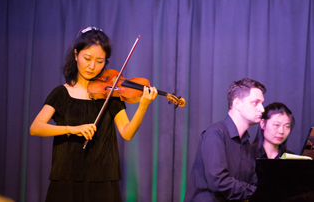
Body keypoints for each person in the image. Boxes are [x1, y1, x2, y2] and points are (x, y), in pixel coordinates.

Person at [30, 26, 158, 202]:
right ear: (76, 55)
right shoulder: (61, 93)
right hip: (67, 176)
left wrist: (143, 106)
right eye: (87, 58)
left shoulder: (110, 94)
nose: (92, 66)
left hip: (104, 177)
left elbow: (127, 133)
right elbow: (35, 128)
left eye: (100, 61)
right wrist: (72, 129)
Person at [184, 78, 266, 202]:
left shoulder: (245, 142)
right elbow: (218, 182)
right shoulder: (215, 133)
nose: (262, 109)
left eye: (262, 103)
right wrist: (257, 192)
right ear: (237, 104)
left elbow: (252, 182)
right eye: (255, 103)